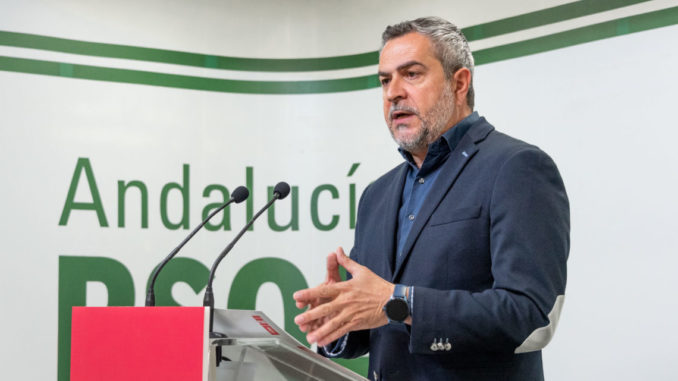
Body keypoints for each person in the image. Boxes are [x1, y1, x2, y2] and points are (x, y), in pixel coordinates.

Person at [293, 16, 569, 381]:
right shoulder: (377, 195)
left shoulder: (516, 168)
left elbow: (533, 318)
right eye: (385, 80)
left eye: (411, 74)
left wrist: (400, 302)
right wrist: (340, 320)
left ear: (459, 83)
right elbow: (380, 322)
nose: (393, 92)